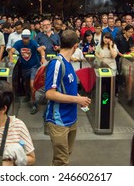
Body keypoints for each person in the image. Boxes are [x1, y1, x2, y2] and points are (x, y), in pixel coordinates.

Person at [44, 29, 91, 166]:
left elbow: (66, 88)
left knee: (65, 155)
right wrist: (77, 100)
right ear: (75, 46)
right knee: (61, 161)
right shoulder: (57, 64)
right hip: (59, 121)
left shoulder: (68, 63)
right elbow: (50, 93)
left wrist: (79, 98)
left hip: (71, 118)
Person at [8, 29, 46, 114]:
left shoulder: (33, 43)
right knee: (26, 83)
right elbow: (11, 51)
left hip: (34, 66)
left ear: (29, 37)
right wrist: (11, 57)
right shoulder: (18, 43)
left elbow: (41, 50)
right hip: (24, 66)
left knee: (32, 85)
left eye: (27, 38)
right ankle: (28, 95)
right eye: (24, 38)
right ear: (22, 37)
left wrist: (43, 58)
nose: (25, 40)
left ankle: (34, 104)